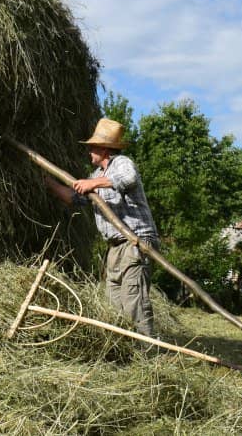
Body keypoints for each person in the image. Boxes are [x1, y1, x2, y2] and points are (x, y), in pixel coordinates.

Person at [45, 118, 160, 337]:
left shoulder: (122, 163)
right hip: (115, 246)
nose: (89, 151)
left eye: (92, 147)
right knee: (113, 299)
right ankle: (124, 347)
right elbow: (74, 198)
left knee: (133, 298)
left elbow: (129, 178)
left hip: (135, 241)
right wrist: (48, 183)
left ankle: (148, 353)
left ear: (105, 149)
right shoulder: (95, 176)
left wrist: (93, 184)